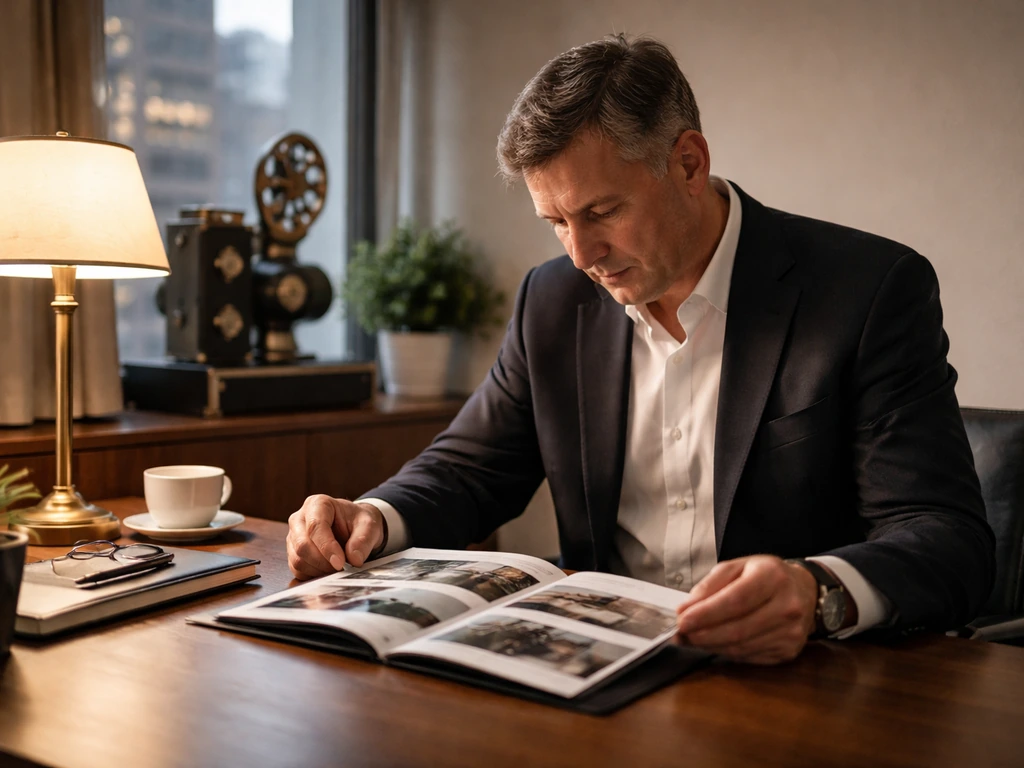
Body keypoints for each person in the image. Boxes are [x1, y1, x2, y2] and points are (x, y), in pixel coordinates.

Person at [287, 34, 995, 665]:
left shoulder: (868, 292)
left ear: (688, 162)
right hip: (592, 667)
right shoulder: (553, 299)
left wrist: (818, 593)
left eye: (601, 212)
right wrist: (374, 517)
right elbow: (472, 466)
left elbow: (946, 539)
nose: (582, 253)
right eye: (556, 221)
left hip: (798, 678)